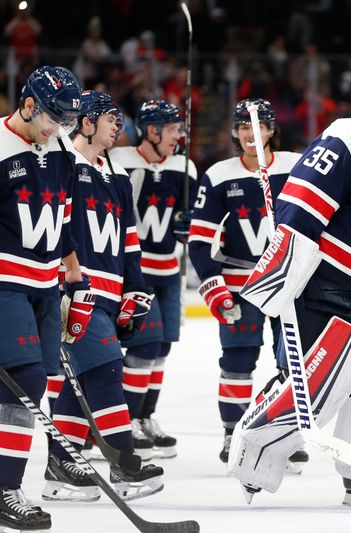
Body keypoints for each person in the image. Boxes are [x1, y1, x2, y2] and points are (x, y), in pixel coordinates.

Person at [231, 69, 351, 507]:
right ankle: (254, 453)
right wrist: (283, 277)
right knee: (313, 386)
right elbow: (299, 208)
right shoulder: (347, 138)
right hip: (329, 286)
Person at [46, 89, 164, 502]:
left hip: (111, 291)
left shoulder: (115, 176)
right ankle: (124, 464)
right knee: (106, 369)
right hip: (75, 289)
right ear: (87, 122)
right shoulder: (62, 164)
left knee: (79, 378)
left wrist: (136, 287)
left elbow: (129, 240)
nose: (119, 126)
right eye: (111, 119)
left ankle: (61, 465)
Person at [187, 98, 306, 469]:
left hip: (288, 283)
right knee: (238, 361)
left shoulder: (296, 166)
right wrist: (214, 286)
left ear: (271, 130)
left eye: (257, 127)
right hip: (242, 285)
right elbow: (199, 240)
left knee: (295, 365)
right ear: (235, 133)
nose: (250, 134)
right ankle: (232, 430)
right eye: (242, 128)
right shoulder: (220, 175)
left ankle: (284, 433)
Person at [0, 66, 91, 532]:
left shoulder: (60, 149)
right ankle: (6, 489)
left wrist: (73, 271)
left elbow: (65, 214)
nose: (60, 129)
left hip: (46, 284)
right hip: (6, 282)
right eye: (53, 118)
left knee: (40, 381)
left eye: (67, 122)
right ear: (28, 104)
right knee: (27, 380)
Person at [109, 100, 197, 460]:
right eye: (173, 129)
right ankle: (126, 419)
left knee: (161, 349)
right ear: (152, 131)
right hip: (135, 273)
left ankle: (145, 416)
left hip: (169, 271)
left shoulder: (184, 166)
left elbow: (187, 219)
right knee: (146, 345)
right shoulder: (120, 161)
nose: (180, 136)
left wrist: (187, 225)